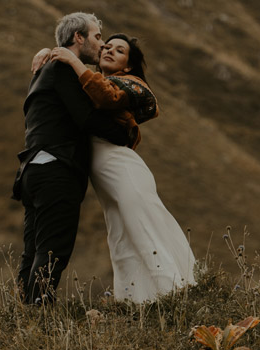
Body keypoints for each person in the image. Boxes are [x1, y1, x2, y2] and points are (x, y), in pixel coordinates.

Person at [37, 32, 195, 301]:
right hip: (103, 171)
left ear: (128, 65)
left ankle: (173, 293)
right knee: (120, 234)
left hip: (122, 166)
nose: (109, 50)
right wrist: (45, 54)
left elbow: (107, 97)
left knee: (143, 224)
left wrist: (73, 62)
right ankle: (134, 300)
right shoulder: (90, 81)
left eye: (119, 50)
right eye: (106, 47)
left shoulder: (131, 84)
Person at [12, 11, 104, 303]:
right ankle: (39, 316)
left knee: (34, 250)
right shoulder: (62, 69)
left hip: (33, 170)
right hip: (56, 169)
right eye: (97, 37)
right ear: (79, 37)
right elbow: (87, 118)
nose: (101, 45)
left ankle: (25, 314)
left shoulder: (45, 68)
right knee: (53, 251)